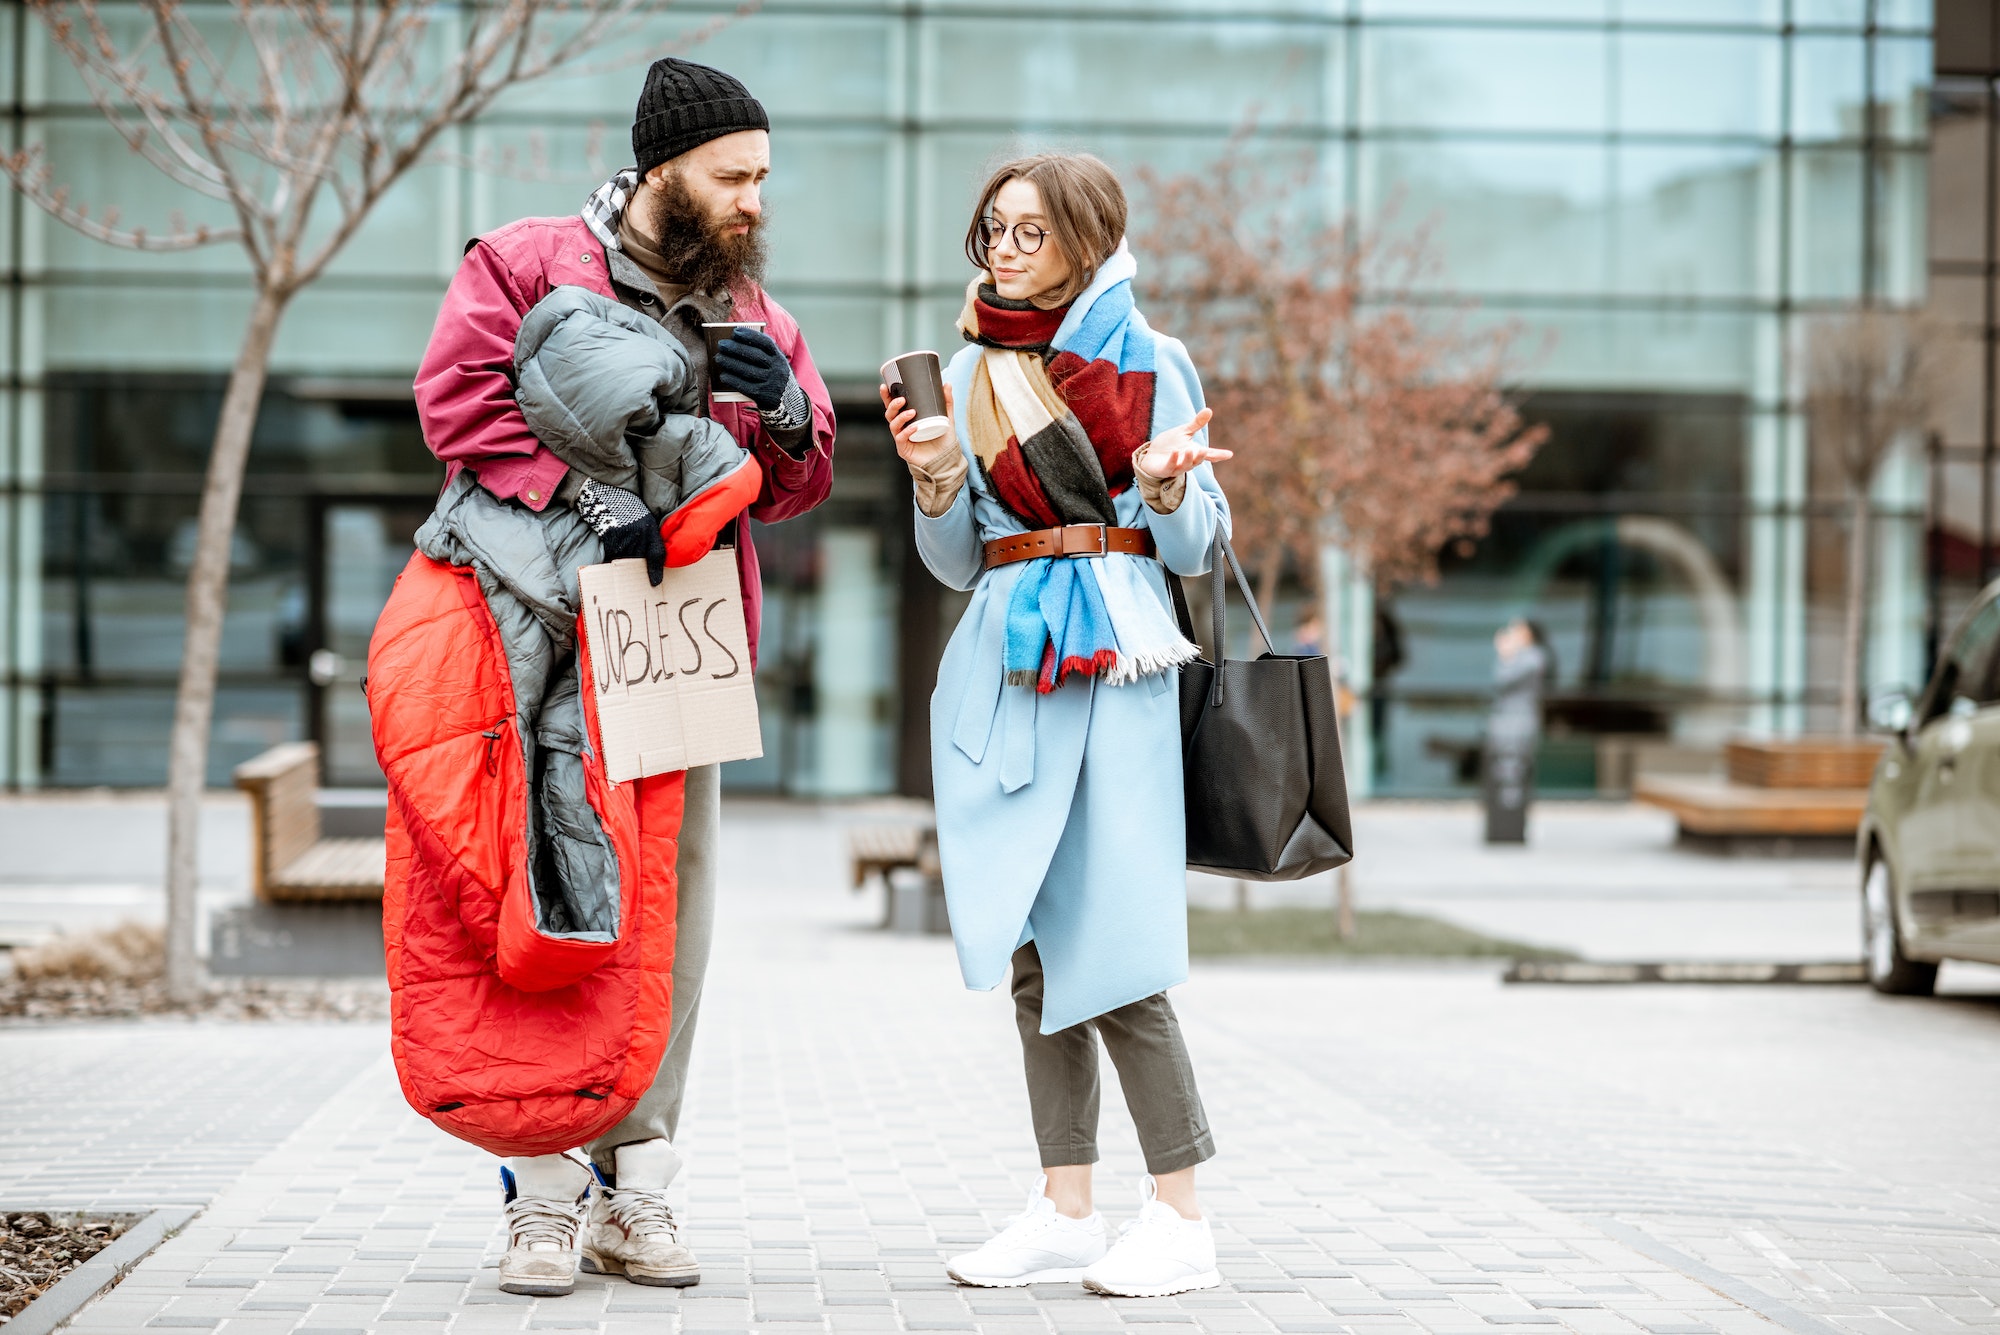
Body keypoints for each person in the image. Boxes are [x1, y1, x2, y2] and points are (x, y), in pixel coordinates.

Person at [412, 57, 836, 1297]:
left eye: (763, 175)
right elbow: (458, 408)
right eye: (734, 175)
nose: (756, 198)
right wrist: (593, 509)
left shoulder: (753, 309)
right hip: (527, 625)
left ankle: (634, 1188)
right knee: (537, 885)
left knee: (671, 911)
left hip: (677, 644)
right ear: (664, 172)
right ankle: (538, 1193)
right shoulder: (525, 262)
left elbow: (799, 487)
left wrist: (795, 424)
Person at [882, 152, 1232, 1298]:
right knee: (1032, 939)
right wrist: (933, 479)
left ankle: (1179, 1217)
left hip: (1116, 661)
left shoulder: (1151, 360)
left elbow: (1191, 550)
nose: (1004, 252)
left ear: (1084, 240)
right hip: (1005, 660)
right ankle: (1064, 1204)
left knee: (1116, 944)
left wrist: (1170, 485)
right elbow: (954, 562)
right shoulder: (974, 371)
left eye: (1028, 234)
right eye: (991, 231)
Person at [1484, 617, 1551, 844]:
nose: (1512, 633)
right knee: (1502, 775)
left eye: (1517, 629)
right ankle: (1505, 824)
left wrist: (1505, 654)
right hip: (1504, 724)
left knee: (1516, 775)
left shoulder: (1533, 657)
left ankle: (1514, 825)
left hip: (1519, 726)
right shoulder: (1521, 657)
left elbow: (1502, 680)